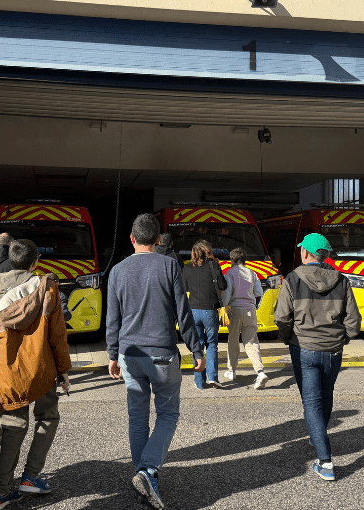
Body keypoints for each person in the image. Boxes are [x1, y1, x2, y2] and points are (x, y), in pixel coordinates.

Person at [0, 239, 71, 509]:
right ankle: (31, 476)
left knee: (14, 427)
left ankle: (0, 492)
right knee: (48, 416)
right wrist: (64, 370)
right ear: (35, 263)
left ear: (10, 260)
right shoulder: (47, 288)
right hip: (42, 369)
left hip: (7, 374)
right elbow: (57, 334)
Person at [106, 214, 204, 510]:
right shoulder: (168, 265)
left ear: (132, 239)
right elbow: (182, 313)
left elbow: (113, 317)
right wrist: (196, 349)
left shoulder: (118, 271)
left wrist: (112, 354)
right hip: (162, 351)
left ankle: (143, 480)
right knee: (168, 414)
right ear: (159, 240)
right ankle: (148, 471)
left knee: (138, 418)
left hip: (130, 353)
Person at [273, 233, 361, 482]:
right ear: (325, 255)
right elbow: (353, 322)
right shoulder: (342, 281)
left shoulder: (292, 279)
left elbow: (282, 317)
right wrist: (343, 338)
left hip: (304, 349)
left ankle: (325, 461)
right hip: (333, 350)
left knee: (311, 402)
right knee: (326, 394)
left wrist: (286, 337)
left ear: (305, 253)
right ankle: (317, 434)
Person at [220, 248, 268, 389]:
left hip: (235, 310)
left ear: (232, 259)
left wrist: (224, 306)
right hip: (250, 310)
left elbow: (227, 295)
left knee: (233, 340)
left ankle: (231, 370)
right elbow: (258, 292)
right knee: (251, 342)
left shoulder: (230, 273)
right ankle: (260, 372)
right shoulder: (252, 273)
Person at [182, 240, 227, 390]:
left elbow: (184, 287)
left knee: (198, 345)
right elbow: (223, 285)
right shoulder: (214, 266)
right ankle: (213, 377)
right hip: (210, 310)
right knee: (212, 344)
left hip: (193, 310)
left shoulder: (187, 268)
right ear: (208, 251)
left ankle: (200, 382)